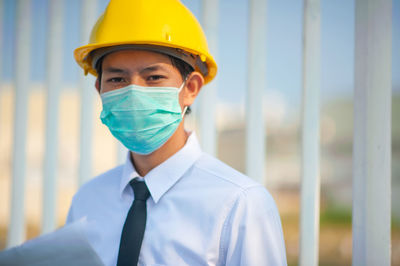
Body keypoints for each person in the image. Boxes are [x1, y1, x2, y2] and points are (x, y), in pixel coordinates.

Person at [66, 0, 287, 265]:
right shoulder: (87, 202)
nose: (134, 92)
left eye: (153, 78)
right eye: (117, 79)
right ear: (99, 90)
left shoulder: (240, 204)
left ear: (191, 88)